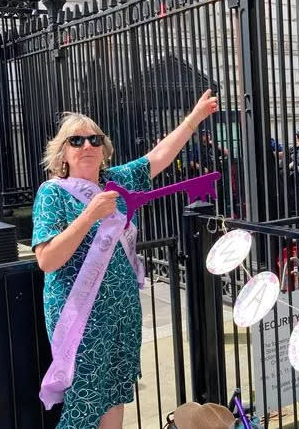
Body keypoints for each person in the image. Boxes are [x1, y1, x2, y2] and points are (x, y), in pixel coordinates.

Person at [31, 90, 218, 429]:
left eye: (94, 139)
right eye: (77, 140)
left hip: (122, 309)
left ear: (103, 148)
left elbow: (159, 156)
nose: (87, 145)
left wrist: (195, 117)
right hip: (81, 315)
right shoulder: (52, 193)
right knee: (85, 402)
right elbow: (47, 260)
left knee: (116, 392)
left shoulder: (116, 182)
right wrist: (89, 215)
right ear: (63, 154)